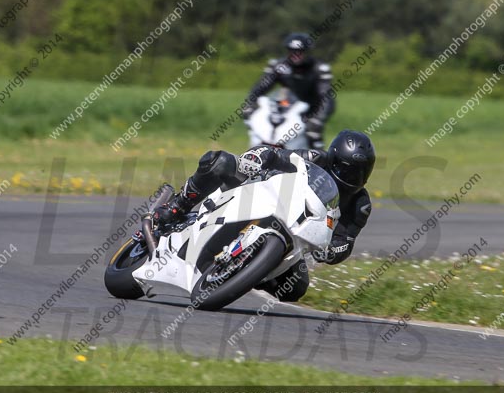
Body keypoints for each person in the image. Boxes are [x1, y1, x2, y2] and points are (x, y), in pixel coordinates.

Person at [154, 130, 375, 302]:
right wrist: (255, 158)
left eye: (362, 172)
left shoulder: (360, 205)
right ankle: (177, 206)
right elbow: (275, 154)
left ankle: (249, 270)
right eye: (348, 169)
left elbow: (345, 243)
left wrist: (330, 251)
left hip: (293, 235)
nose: (354, 176)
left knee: (295, 288)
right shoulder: (314, 158)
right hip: (259, 195)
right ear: (334, 159)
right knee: (220, 162)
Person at [243, 32, 335, 150]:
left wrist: (318, 118)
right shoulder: (279, 65)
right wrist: (251, 103)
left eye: (301, 51)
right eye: (292, 51)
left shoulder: (318, 68)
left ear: (307, 51)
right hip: (288, 106)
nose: (296, 55)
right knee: (251, 114)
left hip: (311, 110)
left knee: (313, 131)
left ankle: (317, 160)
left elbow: (326, 98)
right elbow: (261, 87)